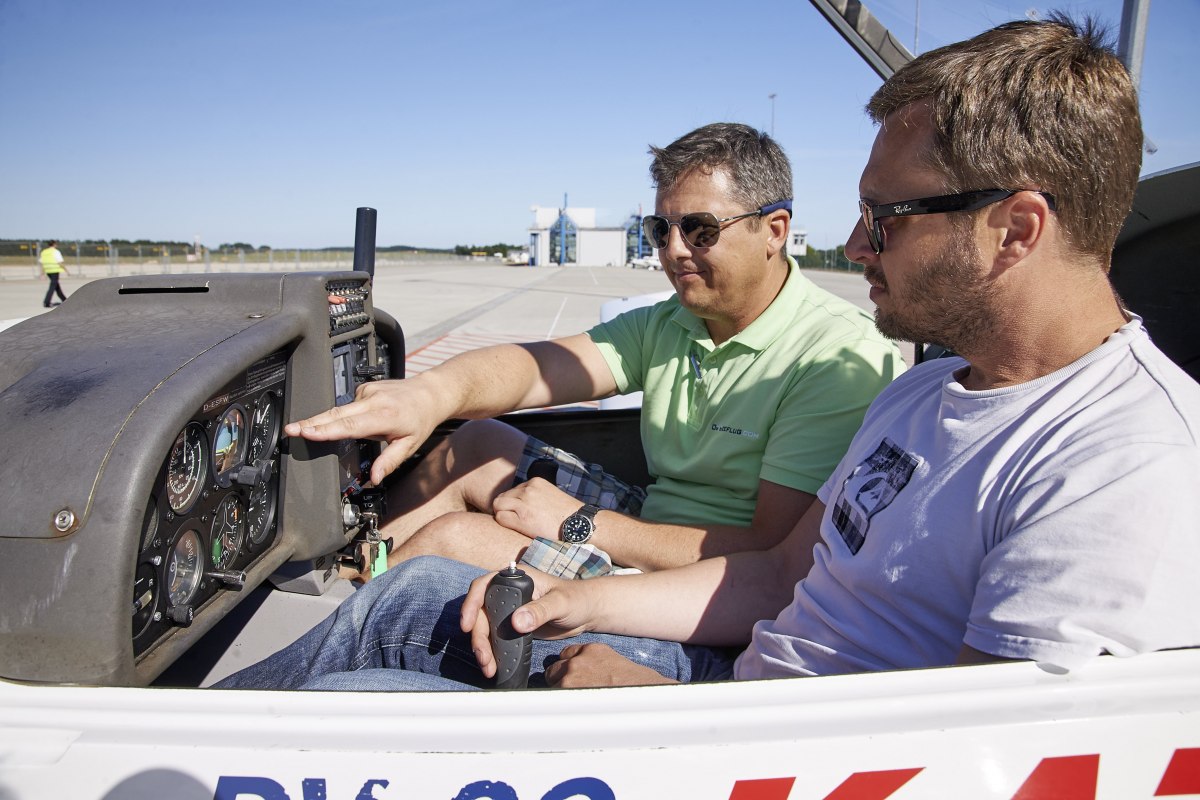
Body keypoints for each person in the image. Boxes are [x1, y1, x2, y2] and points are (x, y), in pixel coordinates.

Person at [217, 15, 1200, 693]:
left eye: (886, 218)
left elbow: (970, 762)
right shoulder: (929, 391)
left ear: (1016, 230)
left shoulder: (1120, 469)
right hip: (739, 675)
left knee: (351, 698)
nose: (855, 248)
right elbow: (778, 580)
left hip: (737, 732)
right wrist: (577, 598)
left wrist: (657, 703)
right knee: (390, 608)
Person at [297, 122, 902, 581]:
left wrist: (578, 523)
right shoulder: (672, 322)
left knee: (456, 538)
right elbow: (537, 368)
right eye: (660, 229)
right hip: (651, 521)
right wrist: (433, 395)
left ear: (774, 231)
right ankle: (363, 577)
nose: (673, 250)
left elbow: (770, 553)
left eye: (700, 230)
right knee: (475, 445)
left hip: (710, 576)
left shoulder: (834, 356)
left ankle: (357, 628)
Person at [40, 240, 68, 308]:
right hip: (54, 270)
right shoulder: (55, 251)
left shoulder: (44, 252)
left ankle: (64, 300)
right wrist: (66, 270)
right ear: (54, 244)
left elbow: (42, 263)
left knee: (56, 285)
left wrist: (42, 273)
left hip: (48, 271)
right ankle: (46, 302)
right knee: (52, 286)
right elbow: (59, 262)